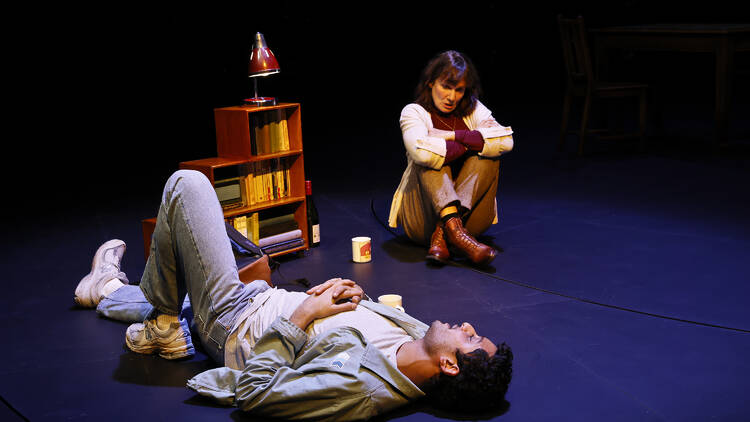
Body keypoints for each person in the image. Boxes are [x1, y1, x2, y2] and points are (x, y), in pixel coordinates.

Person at [74, 169, 513, 420]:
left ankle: (165, 324)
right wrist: (350, 295)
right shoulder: (417, 337)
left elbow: (256, 393)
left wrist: (303, 314)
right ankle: (110, 289)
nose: (469, 326)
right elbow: (348, 329)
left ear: (450, 365)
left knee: (188, 186)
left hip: (233, 323)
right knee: (189, 270)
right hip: (261, 298)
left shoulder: (357, 391)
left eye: (472, 339)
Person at [388, 50, 514, 266]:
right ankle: (454, 232)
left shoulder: (473, 110)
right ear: (430, 82)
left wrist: (454, 136)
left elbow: (506, 142)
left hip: (471, 218)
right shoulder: (413, 112)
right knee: (431, 159)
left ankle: (447, 232)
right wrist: (472, 144)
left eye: (459, 90)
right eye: (446, 86)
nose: (452, 97)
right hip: (422, 220)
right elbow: (422, 153)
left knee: (487, 157)